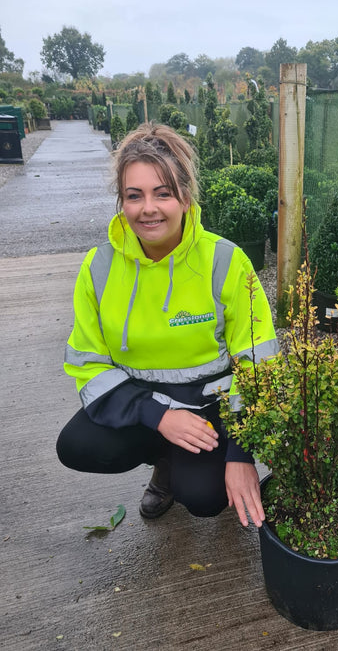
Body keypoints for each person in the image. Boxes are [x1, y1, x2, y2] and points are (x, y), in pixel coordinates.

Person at [56, 122, 278, 528]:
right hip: (143, 406)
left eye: (163, 193)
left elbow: (259, 363)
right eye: (134, 195)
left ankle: (197, 466)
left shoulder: (226, 261)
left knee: (206, 499)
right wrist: (156, 415)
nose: (148, 208)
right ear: (121, 201)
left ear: (186, 196)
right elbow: (88, 364)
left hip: (207, 410)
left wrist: (242, 455)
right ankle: (165, 461)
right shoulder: (98, 267)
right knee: (76, 445)